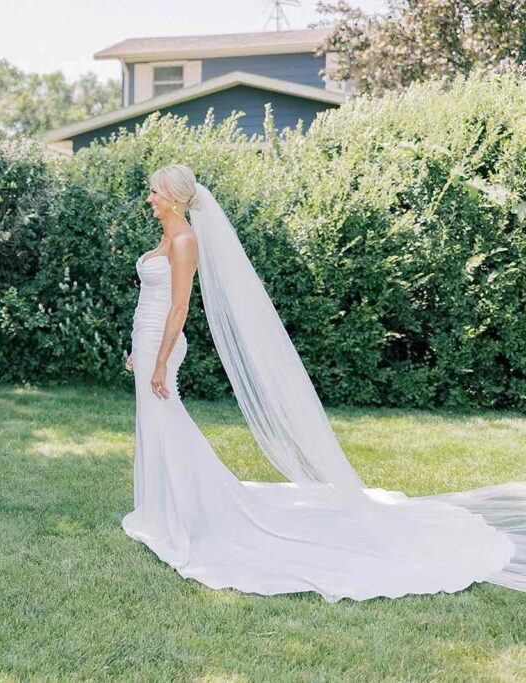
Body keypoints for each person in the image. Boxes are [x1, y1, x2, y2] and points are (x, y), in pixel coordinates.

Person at [122, 164, 526, 600]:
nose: (151, 199)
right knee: (156, 422)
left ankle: (183, 512)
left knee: (167, 421)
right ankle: (162, 508)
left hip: (161, 344)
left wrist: (161, 359)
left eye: (157, 193)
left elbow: (179, 308)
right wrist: (138, 347)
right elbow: (152, 300)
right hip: (146, 339)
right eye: (152, 193)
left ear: (178, 199)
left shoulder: (184, 241)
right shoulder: (166, 236)